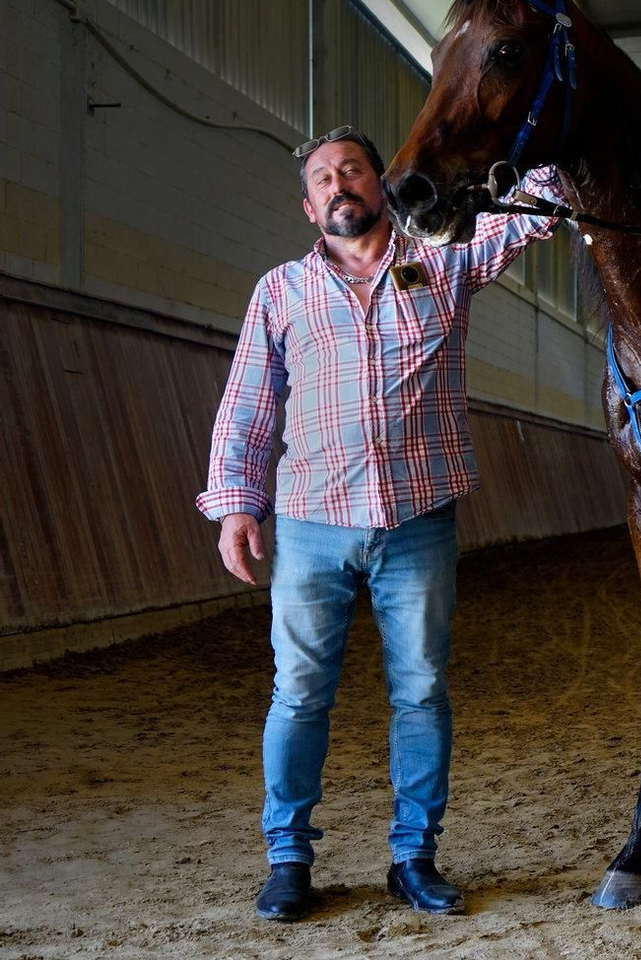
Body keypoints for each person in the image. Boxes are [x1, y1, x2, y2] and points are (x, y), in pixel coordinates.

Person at [195, 126, 564, 921]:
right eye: (323, 178)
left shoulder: (443, 260)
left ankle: (413, 857)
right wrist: (235, 506)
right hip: (309, 523)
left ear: (380, 182)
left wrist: (545, 127)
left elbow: (539, 205)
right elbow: (249, 406)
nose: (339, 185)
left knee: (422, 692)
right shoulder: (281, 292)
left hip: (417, 520)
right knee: (296, 695)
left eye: (352, 170)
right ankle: (288, 859)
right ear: (308, 205)